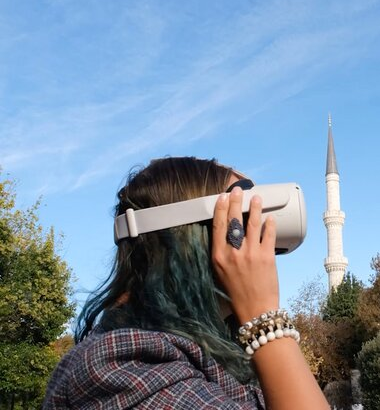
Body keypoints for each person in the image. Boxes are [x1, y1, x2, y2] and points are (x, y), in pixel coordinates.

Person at [43, 157, 329, 409]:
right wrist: (266, 319)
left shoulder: (205, 354)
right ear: (188, 238)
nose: (253, 250)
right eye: (238, 222)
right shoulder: (119, 366)